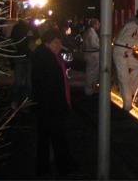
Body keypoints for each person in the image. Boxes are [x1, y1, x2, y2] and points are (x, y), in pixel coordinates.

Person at [31, 28, 78, 177]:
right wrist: (63, 104)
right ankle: (64, 167)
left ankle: (43, 168)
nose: (59, 45)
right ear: (47, 43)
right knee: (58, 138)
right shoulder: (48, 59)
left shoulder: (44, 55)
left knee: (45, 138)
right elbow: (53, 85)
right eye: (56, 42)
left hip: (44, 106)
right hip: (51, 106)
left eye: (60, 42)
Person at [113, 6, 138, 111]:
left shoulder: (135, 24)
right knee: (124, 78)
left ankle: (129, 91)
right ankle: (127, 105)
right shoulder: (133, 24)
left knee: (137, 67)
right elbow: (126, 37)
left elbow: (135, 36)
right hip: (122, 51)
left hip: (125, 51)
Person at [9, 18, 34, 110]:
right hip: (19, 58)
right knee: (18, 81)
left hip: (30, 58)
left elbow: (37, 39)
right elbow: (12, 41)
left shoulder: (32, 26)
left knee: (29, 82)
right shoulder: (17, 27)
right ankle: (15, 100)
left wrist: (33, 46)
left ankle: (26, 104)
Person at [83, 17, 101, 96]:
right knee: (92, 72)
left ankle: (90, 89)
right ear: (94, 24)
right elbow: (94, 45)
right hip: (93, 55)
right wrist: (100, 46)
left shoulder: (87, 32)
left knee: (90, 71)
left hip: (88, 53)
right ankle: (89, 90)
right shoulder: (92, 33)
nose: (99, 25)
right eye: (98, 24)